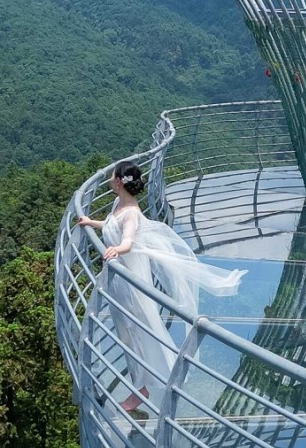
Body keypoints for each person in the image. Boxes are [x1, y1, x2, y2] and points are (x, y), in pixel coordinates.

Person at [79, 161, 246, 415]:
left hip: (129, 283)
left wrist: (116, 250)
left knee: (136, 332)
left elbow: (127, 240)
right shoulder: (117, 205)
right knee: (126, 333)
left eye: (112, 177)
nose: (110, 180)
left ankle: (141, 388)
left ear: (119, 182)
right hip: (118, 282)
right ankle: (140, 384)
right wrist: (92, 222)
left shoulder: (132, 213)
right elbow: (112, 225)